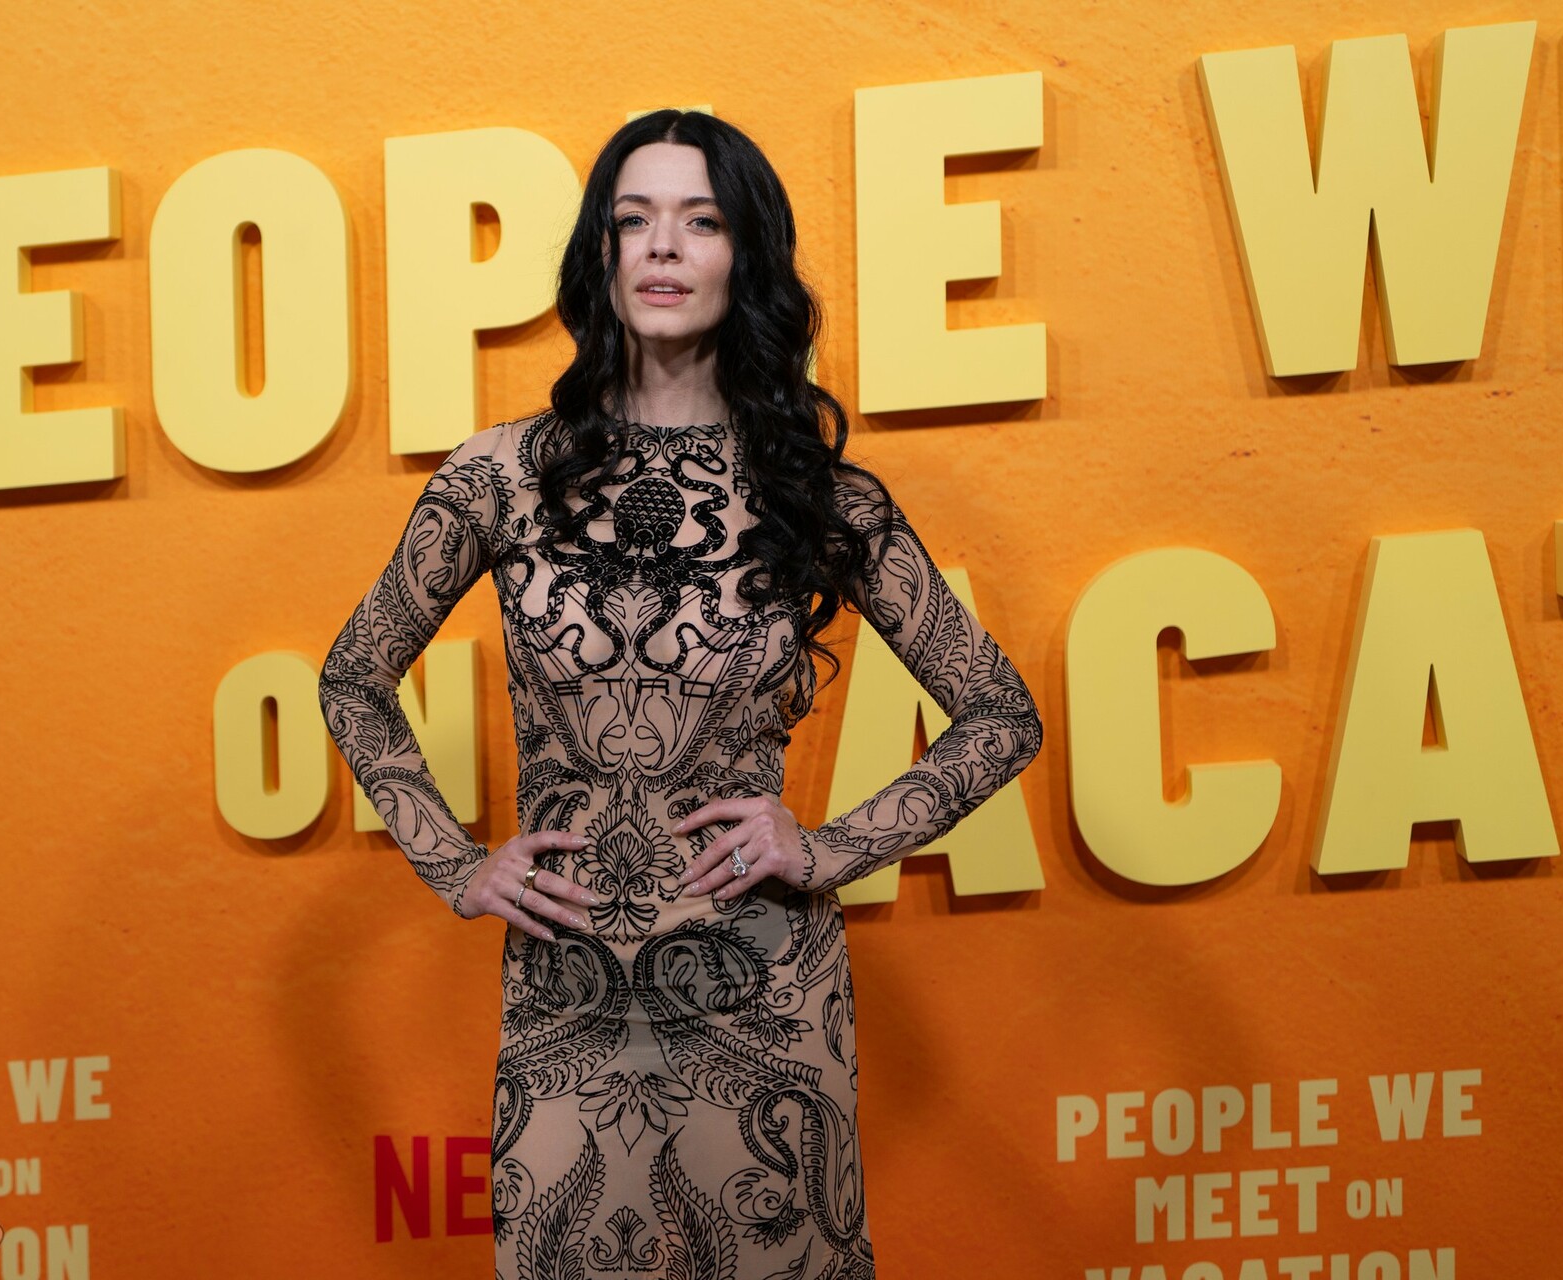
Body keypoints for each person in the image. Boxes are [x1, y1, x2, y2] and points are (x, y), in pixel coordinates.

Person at [318, 109, 1043, 1280]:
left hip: (764, 999)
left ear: (746, 257)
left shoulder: (820, 494)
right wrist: (455, 864)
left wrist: (826, 847)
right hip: (565, 1006)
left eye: (700, 220)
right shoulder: (501, 476)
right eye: (634, 218)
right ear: (600, 254)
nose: (662, 245)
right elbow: (354, 677)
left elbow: (1002, 714)